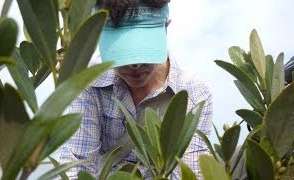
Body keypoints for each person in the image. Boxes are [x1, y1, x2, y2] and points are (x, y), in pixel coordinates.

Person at [57, 0, 213, 179]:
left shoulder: (196, 94)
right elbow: (76, 165)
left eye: (144, 49)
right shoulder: (87, 81)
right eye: (121, 52)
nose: (135, 64)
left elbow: (190, 172)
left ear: (166, 27)